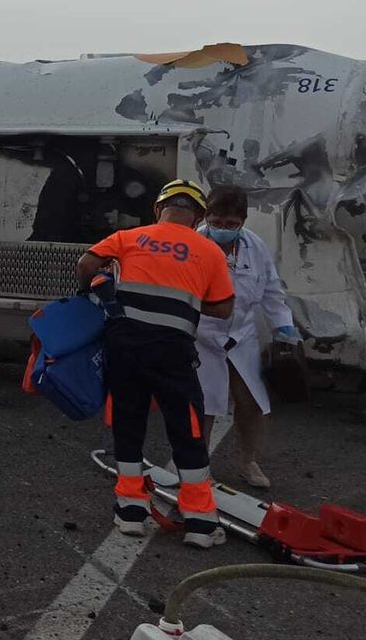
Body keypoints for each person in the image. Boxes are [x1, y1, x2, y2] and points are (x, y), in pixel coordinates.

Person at [76, 179, 236, 548]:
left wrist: (94, 293)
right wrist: (191, 300)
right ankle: (199, 522)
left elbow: (86, 263)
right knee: (187, 429)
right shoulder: (209, 251)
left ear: (158, 209)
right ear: (197, 217)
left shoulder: (130, 237)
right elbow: (224, 308)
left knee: (128, 425)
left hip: (125, 346)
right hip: (172, 352)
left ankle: (131, 512)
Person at [195, 185, 299, 489]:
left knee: (251, 401)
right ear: (206, 216)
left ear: (242, 221)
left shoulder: (254, 246)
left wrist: (284, 325)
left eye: (231, 224)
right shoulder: (194, 244)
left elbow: (270, 289)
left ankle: (247, 461)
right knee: (205, 405)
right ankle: (196, 467)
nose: (223, 229)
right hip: (202, 335)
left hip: (241, 335)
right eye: (216, 222)